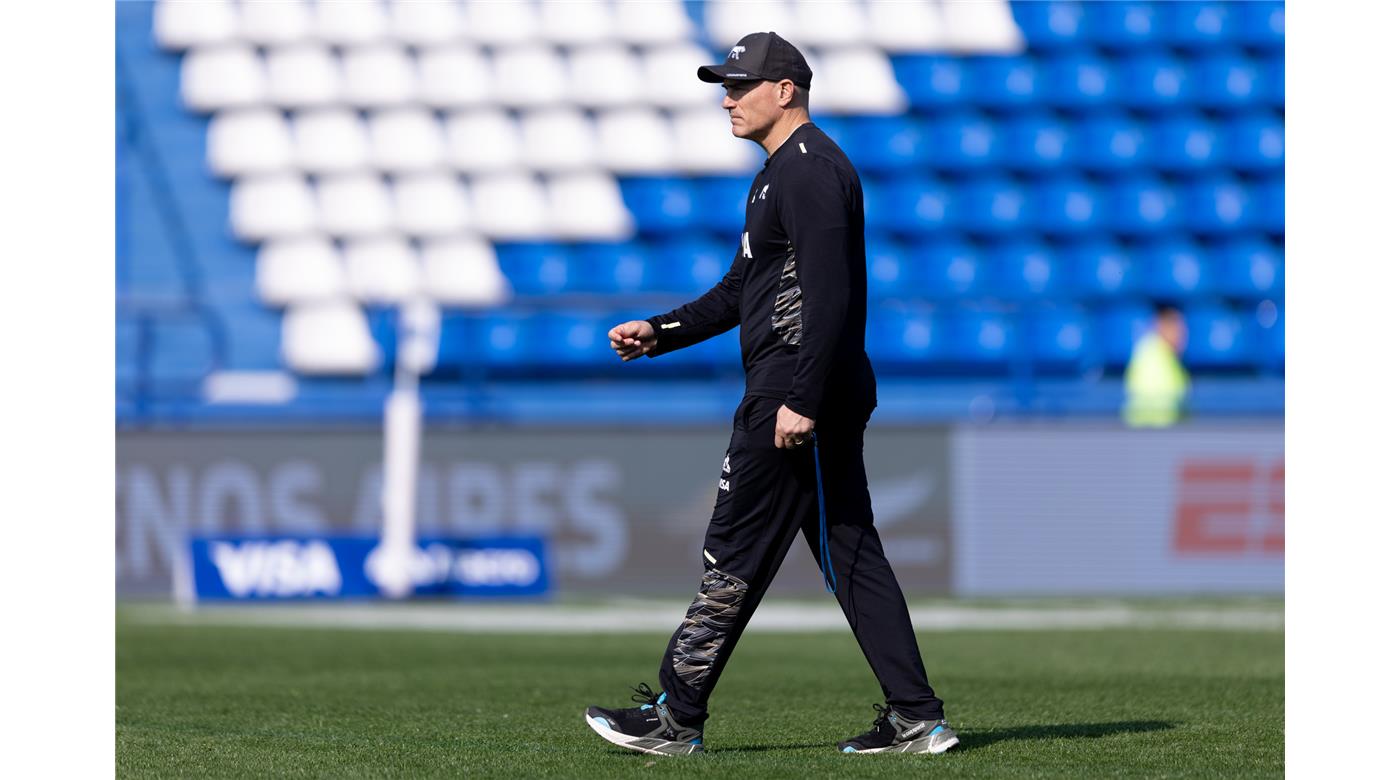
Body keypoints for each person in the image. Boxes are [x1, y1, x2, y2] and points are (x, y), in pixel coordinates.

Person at [583, 32, 957, 758]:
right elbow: (738, 291)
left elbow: (832, 296)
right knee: (849, 550)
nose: (726, 97)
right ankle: (916, 715)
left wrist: (804, 398)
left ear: (785, 89)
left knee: (734, 553)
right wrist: (659, 331)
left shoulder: (810, 172)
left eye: (739, 84)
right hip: (806, 385)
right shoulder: (778, 175)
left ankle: (675, 717)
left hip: (794, 390)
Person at [1123, 303, 1191, 427]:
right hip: (1151, 432)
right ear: (1161, 326)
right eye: (1176, 329)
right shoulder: (1151, 357)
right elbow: (1152, 406)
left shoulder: (1166, 355)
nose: (1182, 336)